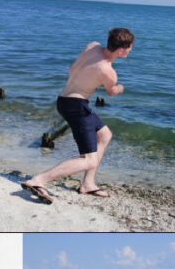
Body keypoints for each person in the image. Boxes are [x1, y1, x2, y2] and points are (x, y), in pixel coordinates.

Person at [21, 28, 134, 204]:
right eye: (130, 47)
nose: (130, 50)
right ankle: (38, 181)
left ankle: (88, 184)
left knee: (105, 134)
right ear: (121, 50)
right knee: (88, 160)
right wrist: (120, 88)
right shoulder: (108, 71)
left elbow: (71, 69)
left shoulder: (93, 46)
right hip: (77, 106)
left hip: (65, 100)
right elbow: (111, 92)